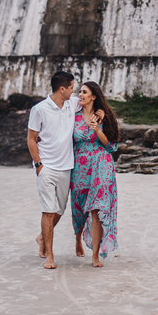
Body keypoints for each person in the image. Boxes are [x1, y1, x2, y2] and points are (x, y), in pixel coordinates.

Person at [27, 70, 80, 269]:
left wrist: (100, 112)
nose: (74, 91)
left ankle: (42, 237)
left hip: (66, 167)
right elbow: (31, 139)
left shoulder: (71, 104)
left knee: (59, 209)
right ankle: (50, 255)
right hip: (46, 167)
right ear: (62, 88)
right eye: (72, 87)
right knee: (48, 211)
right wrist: (39, 164)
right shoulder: (39, 109)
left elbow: (91, 102)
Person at [71, 81, 119, 267]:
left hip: (102, 166)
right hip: (80, 167)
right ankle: (78, 239)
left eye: (84, 92)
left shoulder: (103, 118)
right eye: (79, 92)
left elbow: (112, 146)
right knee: (79, 207)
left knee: (97, 209)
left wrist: (97, 129)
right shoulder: (73, 117)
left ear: (93, 96)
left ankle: (95, 255)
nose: (80, 95)